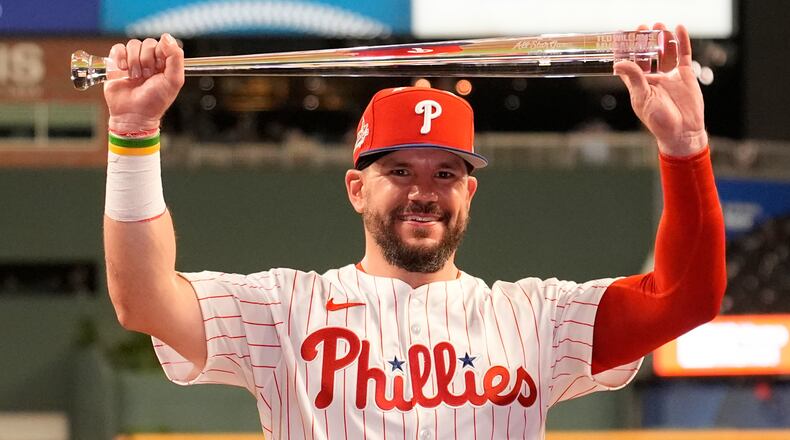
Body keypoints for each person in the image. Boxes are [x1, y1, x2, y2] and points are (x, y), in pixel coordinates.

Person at [103, 24, 726, 439]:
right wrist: (133, 134)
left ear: (469, 193)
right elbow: (143, 298)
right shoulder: (283, 310)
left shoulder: (539, 319)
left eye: (445, 173)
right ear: (356, 188)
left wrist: (685, 147)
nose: (423, 192)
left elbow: (687, 297)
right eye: (398, 171)